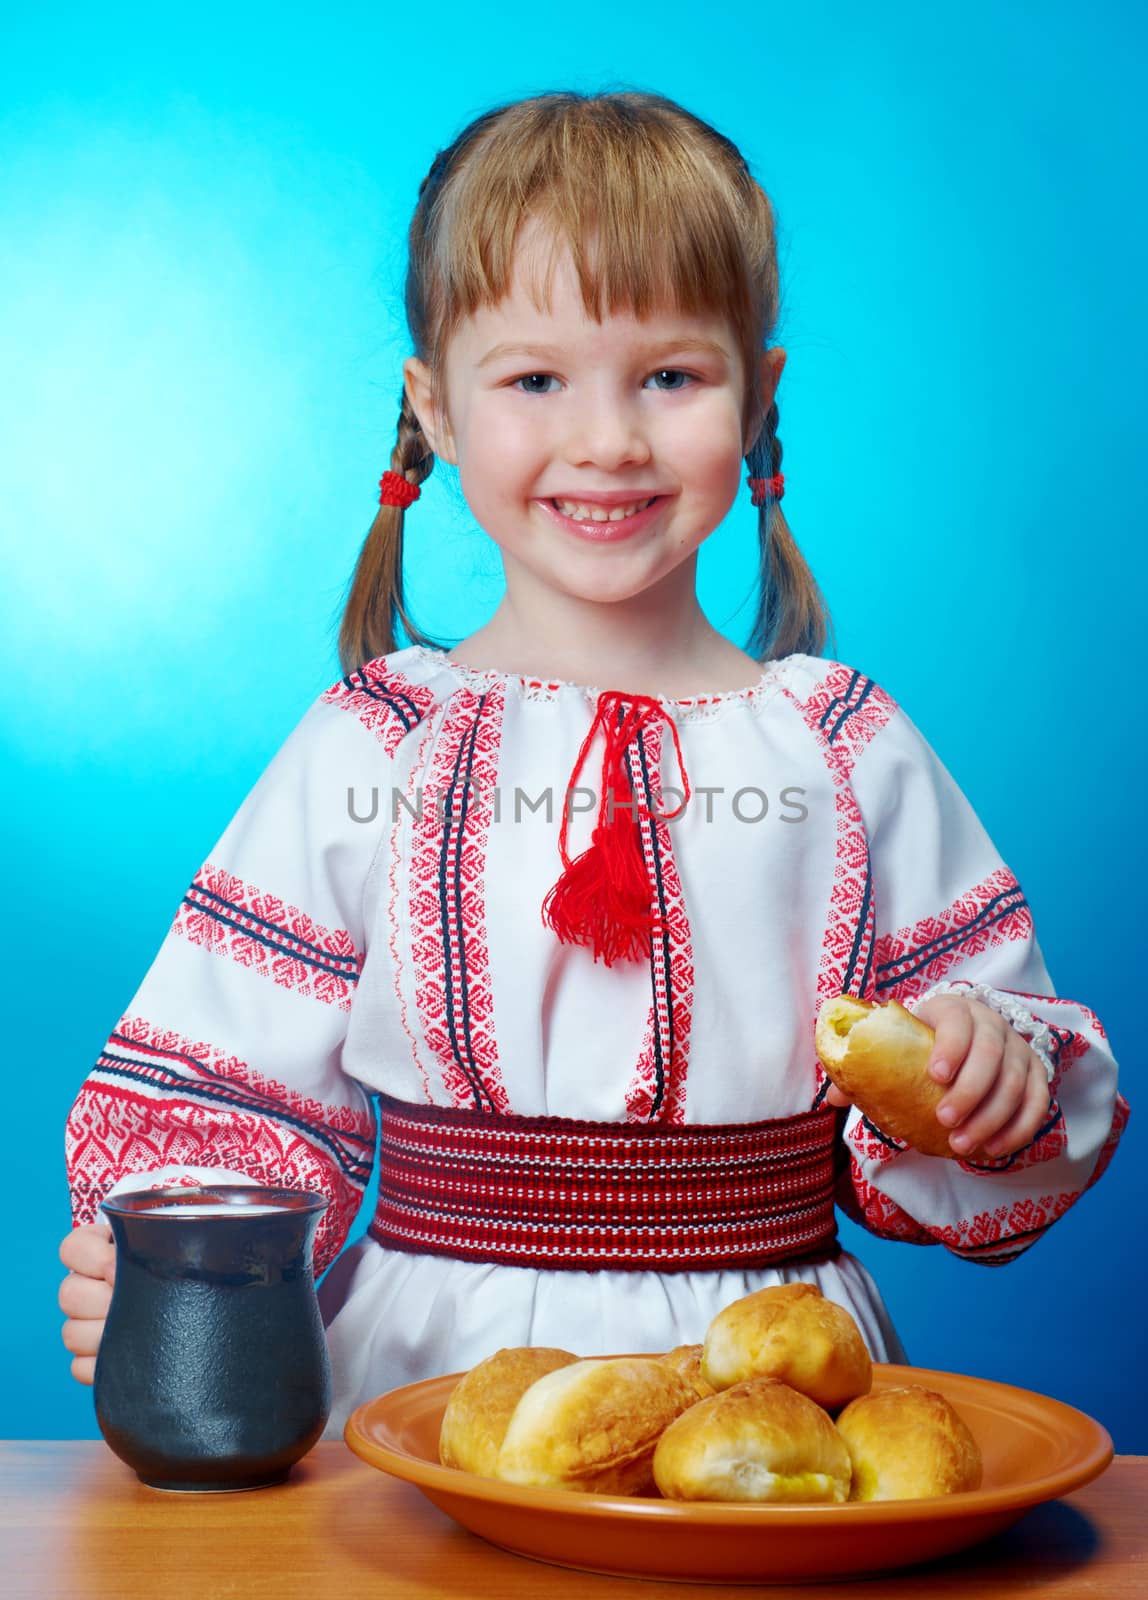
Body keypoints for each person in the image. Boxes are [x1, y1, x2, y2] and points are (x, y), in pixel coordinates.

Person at [59, 89, 1127, 1433]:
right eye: (535, 379)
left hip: (772, 1371)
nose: (610, 440)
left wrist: (991, 1068)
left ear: (758, 400)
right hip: (427, 1381)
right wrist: (162, 1259)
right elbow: (226, 1083)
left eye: (670, 377)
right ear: (436, 410)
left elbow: (992, 1065)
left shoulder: (849, 749)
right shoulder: (376, 744)